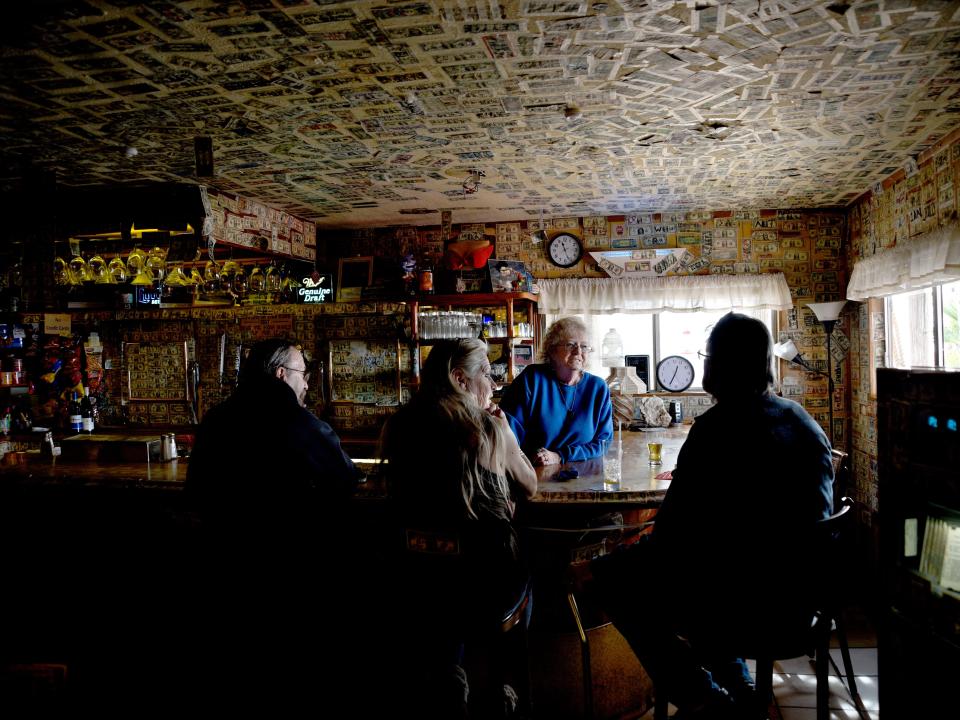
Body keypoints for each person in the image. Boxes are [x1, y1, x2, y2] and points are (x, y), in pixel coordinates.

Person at [586, 312, 834, 719]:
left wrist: (610, 561)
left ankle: (704, 699)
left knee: (612, 579)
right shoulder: (803, 421)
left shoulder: (715, 432)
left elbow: (670, 542)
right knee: (712, 570)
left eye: (707, 356)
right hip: (801, 602)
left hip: (738, 605)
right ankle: (740, 689)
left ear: (717, 365)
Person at [184, 338, 364, 712]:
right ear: (281, 375)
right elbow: (345, 477)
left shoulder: (217, 419)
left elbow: (196, 491)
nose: (307, 384)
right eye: (302, 375)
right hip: (291, 575)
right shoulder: (299, 422)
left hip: (225, 572)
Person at [379, 338, 537, 718]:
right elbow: (529, 485)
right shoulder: (487, 428)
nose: (494, 384)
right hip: (485, 584)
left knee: (439, 589)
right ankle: (500, 685)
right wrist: (509, 435)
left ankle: (450, 675)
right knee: (525, 576)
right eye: (486, 373)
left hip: (414, 575)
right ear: (459, 379)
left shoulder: (399, 425)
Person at [499, 317, 613, 465]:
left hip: (585, 471)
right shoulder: (532, 379)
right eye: (570, 344)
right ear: (552, 350)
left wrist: (560, 456)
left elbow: (603, 443)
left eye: (584, 347)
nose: (578, 351)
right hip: (535, 470)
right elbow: (507, 431)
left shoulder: (598, 387)